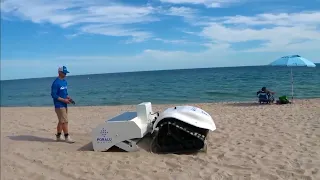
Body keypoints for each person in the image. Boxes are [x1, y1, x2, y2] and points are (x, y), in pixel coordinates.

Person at [51, 66, 75, 143]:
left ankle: (58, 136)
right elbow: (54, 95)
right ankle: (67, 137)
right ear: (59, 72)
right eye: (64, 72)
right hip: (59, 105)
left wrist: (69, 98)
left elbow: (65, 93)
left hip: (64, 104)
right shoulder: (56, 83)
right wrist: (64, 100)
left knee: (61, 121)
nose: (65, 74)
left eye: (66, 73)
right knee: (65, 121)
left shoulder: (64, 82)